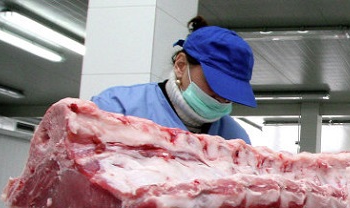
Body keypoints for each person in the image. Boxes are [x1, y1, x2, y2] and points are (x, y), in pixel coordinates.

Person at [92, 16, 256, 143]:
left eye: (231, 93)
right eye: (216, 85)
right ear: (181, 65)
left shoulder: (235, 138)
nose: (221, 98)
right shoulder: (117, 108)